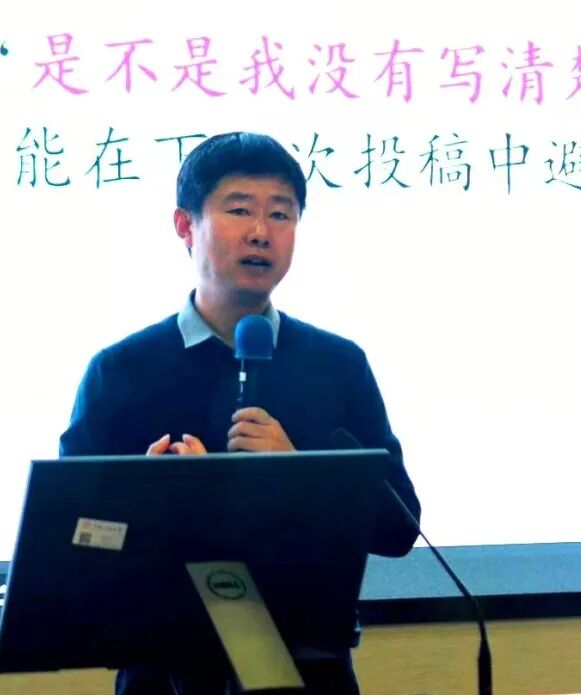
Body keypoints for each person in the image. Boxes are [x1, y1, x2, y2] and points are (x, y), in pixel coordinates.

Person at [59, 131, 421, 695]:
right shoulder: (122, 370)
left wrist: (300, 475)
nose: (260, 231)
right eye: (239, 209)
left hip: (310, 671)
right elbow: (71, 537)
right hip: (164, 675)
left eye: (281, 214)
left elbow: (398, 528)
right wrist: (143, 499)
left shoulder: (337, 365)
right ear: (185, 226)